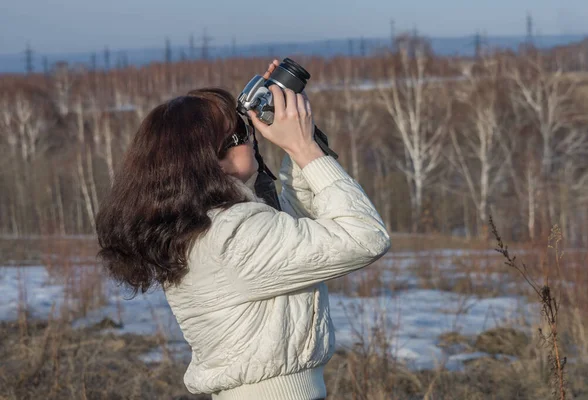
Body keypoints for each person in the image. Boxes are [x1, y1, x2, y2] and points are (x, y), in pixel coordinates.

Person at [95, 60, 391, 400]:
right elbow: (366, 237)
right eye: (239, 132)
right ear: (208, 159)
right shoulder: (231, 236)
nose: (251, 136)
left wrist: (298, 138)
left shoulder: (208, 225)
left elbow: (300, 230)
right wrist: (303, 147)